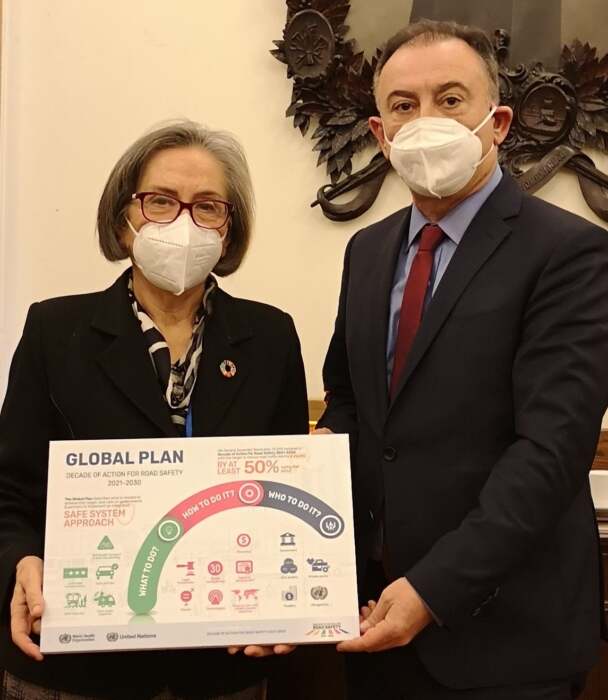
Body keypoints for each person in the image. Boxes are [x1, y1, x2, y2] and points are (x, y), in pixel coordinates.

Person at [316, 19, 608, 700]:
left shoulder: (569, 253)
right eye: (403, 105)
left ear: (497, 122)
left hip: (506, 642)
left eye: (450, 100)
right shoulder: (367, 251)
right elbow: (350, 404)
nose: (426, 121)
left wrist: (432, 589)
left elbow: (550, 452)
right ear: (380, 134)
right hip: (374, 622)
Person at [0, 121, 308, 699]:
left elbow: (286, 492)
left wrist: (289, 599)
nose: (183, 223)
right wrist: (19, 562)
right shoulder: (54, 331)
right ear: (124, 220)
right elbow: (10, 489)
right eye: (160, 201)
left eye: (207, 207)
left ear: (229, 231)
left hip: (222, 665)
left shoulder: (271, 337)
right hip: (76, 664)